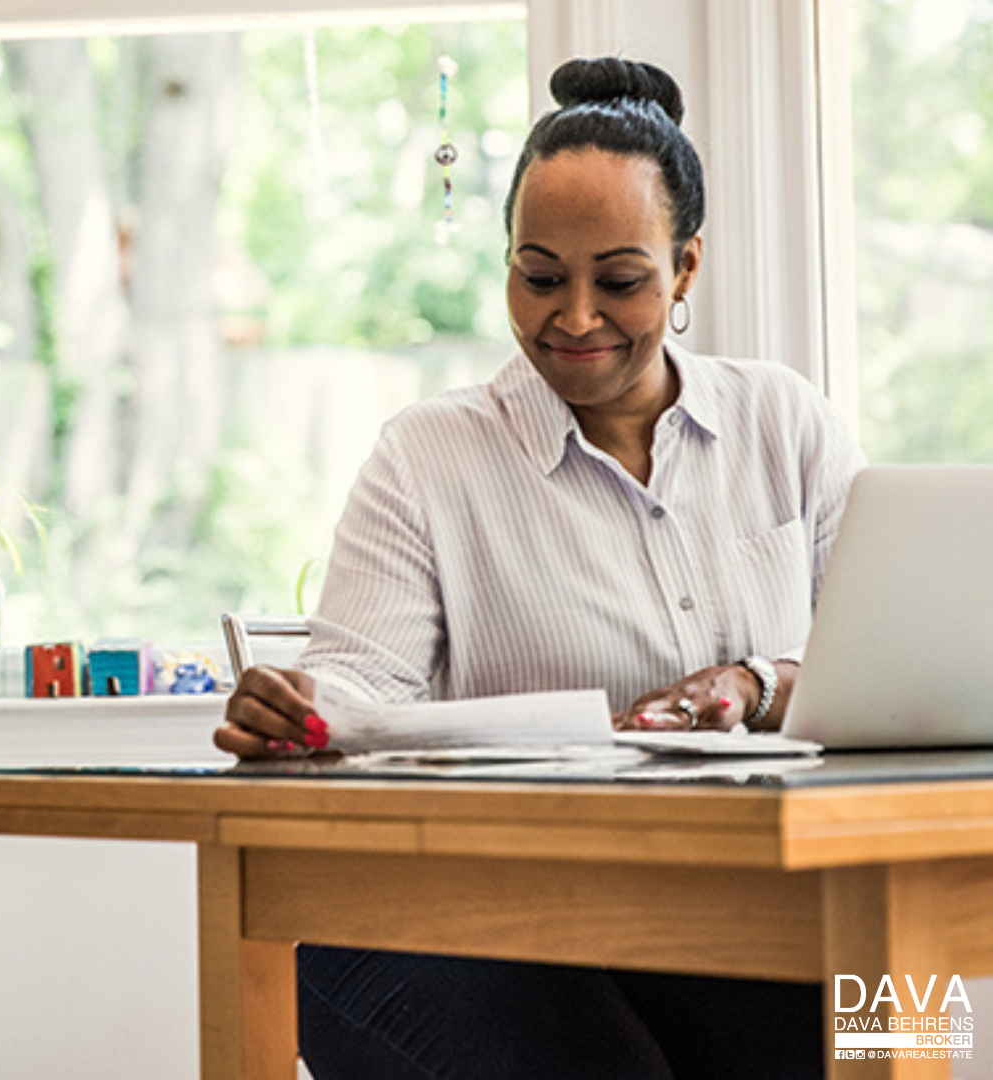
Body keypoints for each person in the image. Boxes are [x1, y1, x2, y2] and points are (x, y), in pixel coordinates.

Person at [215, 56, 865, 1078]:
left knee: (912, 1023)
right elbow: (365, 690)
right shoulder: (428, 455)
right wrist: (301, 709)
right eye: (540, 275)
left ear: (686, 267)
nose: (572, 319)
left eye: (619, 280)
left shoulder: (788, 423)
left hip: (748, 910)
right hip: (480, 917)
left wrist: (754, 683)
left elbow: (876, 674)